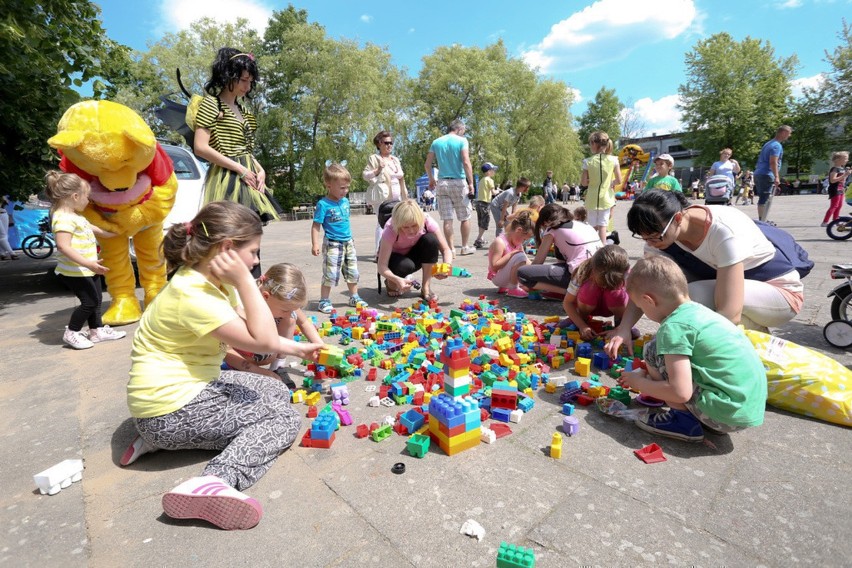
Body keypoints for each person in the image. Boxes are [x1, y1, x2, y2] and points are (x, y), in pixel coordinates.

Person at [122, 201, 323, 530]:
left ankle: (154, 440)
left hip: (168, 402)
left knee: (274, 389)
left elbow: (255, 334)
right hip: (168, 411)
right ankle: (215, 481)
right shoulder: (194, 295)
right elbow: (263, 340)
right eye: (254, 252)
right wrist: (245, 280)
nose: (257, 261)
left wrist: (300, 348)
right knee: (284, 418)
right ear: (228, 248)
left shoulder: (206, 282)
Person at [606, 190, 802, 356]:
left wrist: (676, 350)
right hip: (725, 286)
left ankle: (759, 343)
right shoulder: (663, 234)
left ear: (678, 218)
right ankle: (751, 334)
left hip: (779, 293)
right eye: (644, 238)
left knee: (690, 297)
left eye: (655, 237)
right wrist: (624, 328)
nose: (650, 243)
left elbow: (729, 313)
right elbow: (645, 284)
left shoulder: (723, 232)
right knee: (663, 288)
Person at [615, 255, 767, 442]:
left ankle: (683, 421)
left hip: (727, 414)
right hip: (747, 408)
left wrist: (638, 383)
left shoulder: (673, 327)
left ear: (648, 300)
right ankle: (704, 417)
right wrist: (645, 372)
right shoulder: (701, 312)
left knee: (652, 350)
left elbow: (680, 392)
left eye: (640, 306)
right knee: (660, 353)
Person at [193, 48, 281, 226]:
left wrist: (260, 169)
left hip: (249, 175)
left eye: (250, 81)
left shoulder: (245, 112)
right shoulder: (211, 104)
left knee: (251, 232)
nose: (247, 87)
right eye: (243, 80)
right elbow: (200, 147)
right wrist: (239, 170)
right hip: (227, 177)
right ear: (228, 76)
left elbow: (246, 150)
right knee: (232, 231)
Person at [44, 171, 125, 349]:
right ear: (75, 196)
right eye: (86, 197)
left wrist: (114, 234)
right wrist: (88, 263)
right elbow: (63, 246)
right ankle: (72, 332)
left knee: (96, 300)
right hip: (75, 271)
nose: (88, 201)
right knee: (89, 303)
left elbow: (92, 228)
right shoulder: (63, 218)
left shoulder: (75, 215)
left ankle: (95, 332)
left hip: (87, 268)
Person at [223, 263, 322, 388]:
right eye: (285, 310)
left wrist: (321, 347)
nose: (288, 313)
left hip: (265, 352)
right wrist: (258, 372)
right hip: (238, 358)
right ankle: (242, 371)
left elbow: (304, 322)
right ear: (265, 297)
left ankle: (278, 367)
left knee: (291, 319)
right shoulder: (239, 303)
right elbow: (224, 349)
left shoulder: (280, 299)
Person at [311, 163, 366, 314]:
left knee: (352, 271)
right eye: (342, 188)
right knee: (330, 273)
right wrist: (315, 244)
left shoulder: (345, 202)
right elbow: (316, 225)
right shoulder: (323, 204)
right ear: (329, 185)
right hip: (333, 243)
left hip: (348, 242)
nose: (345, 191)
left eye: (347, 187)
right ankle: (324, 300)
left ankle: (354, 296)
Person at [517, 203, 602, 298]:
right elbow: (562, 262)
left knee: (523, 274)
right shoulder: (584, 225)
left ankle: (574, 293)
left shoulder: (552, 229)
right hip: (601, 273)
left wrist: (531, 281)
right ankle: (566, 292)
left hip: (581, 275)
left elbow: (538, 261)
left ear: (545, 222)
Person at [377, 200, 452, 302]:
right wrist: (397, 280)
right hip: (395, 259)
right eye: (406, 227)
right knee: (405, 266)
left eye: (414, 225)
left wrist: (446, 267)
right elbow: (381, 266)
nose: (411, 230)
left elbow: (446, 249)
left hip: (415, 254)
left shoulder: (427, 221)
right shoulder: (391, 229)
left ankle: (426, 287)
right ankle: (391, 282)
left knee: (431, 240)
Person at [424, 119, 476, 257]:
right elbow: (465, 161)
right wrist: (471, 183)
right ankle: (465, 246)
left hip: (442, 183)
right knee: (465, 217)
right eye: (463, 131)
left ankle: (451, 249)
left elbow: (427, 165)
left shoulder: (436, 142)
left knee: (447, 218)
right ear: (459, 129)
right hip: (458, 181)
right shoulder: (462, 141)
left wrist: (431, 179)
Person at [562, 245, 630, 341]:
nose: (606, 284)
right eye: (603, 280)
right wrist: (582, 326)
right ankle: (583, 319)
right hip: (588, 307)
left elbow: (636, 304)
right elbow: (567, 302)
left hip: (614, 307)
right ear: (593, 270)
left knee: (615, 293)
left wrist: (623, 327)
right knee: (590, 289)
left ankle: (620, 323)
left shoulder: (627, 274)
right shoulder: (583, 273)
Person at [363, 130, 407, 258]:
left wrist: (405, 196)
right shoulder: (375, 158)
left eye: (391, 143)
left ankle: (393, 248)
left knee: (397, 222)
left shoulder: (395, 160)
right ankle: (379, 251)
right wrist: (378, 170)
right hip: (382, 195)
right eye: (386, 142)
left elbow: (401, 177)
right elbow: (365, 175)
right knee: (382, 222)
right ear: (379, 144)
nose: (389, 145)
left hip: (397, 195)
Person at [581, 132, 623, 244]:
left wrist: (593, 182)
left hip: (591, 198)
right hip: (606, 198)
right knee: (603, 226)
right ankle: (602, 249)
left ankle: (590, 247)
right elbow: (619, 180)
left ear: (594, 143)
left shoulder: (587, 161)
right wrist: (609, 183)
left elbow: (584, 183)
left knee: (592, 227)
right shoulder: (614, 160)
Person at [487, 210, 535, 298]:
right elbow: (494, 266)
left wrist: (536, 270)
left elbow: (526, 261)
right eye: (524, 239)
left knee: (531, 286)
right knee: (519, 256)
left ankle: (509, 286)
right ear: (518, 230)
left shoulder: (517, 243)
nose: (523, 242)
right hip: (498, 277)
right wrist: (512, 253)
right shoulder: (500, 242)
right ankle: (513, 288)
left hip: (506, 277)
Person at [754, 125, 793, 222]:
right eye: (789, 134)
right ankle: (763, 221)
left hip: (759, 173)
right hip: (766, 174)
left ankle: (762, 219)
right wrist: (776, 176)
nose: (789, 136)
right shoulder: (776, 145)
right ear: (783, 133)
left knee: (763, 198)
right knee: (765, 199)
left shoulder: (768, 143)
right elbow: (773, 162)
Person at [821, 151, 850, 227]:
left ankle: (836, 221)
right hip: (835, 189)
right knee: (834, 206)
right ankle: (825, 222)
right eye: (846, 158)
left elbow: (843, 179)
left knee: (839, 205)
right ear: (838, 159)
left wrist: (847, 174)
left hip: (841, 189)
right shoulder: (835, 169)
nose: (847, 160)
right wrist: (845, 175)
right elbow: (832, 180)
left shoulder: (842, 169)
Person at [474, 162, 498, 249]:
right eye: (493, 170)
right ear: (488, 171)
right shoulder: (490, 180)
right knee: (485, 222)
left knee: (480, 221)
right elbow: (493, 193)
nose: (494, 172)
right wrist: (499, 191)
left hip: (478, 203)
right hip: (485, 203)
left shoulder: (481, 180)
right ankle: (478, 239)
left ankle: (481, 239)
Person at [0, 195, 17, 261]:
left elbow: (6, 202)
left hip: (3, 213)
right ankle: (12, 253)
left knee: (5, 235)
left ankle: (2, 253)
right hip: (3, 214)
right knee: (2, 235)